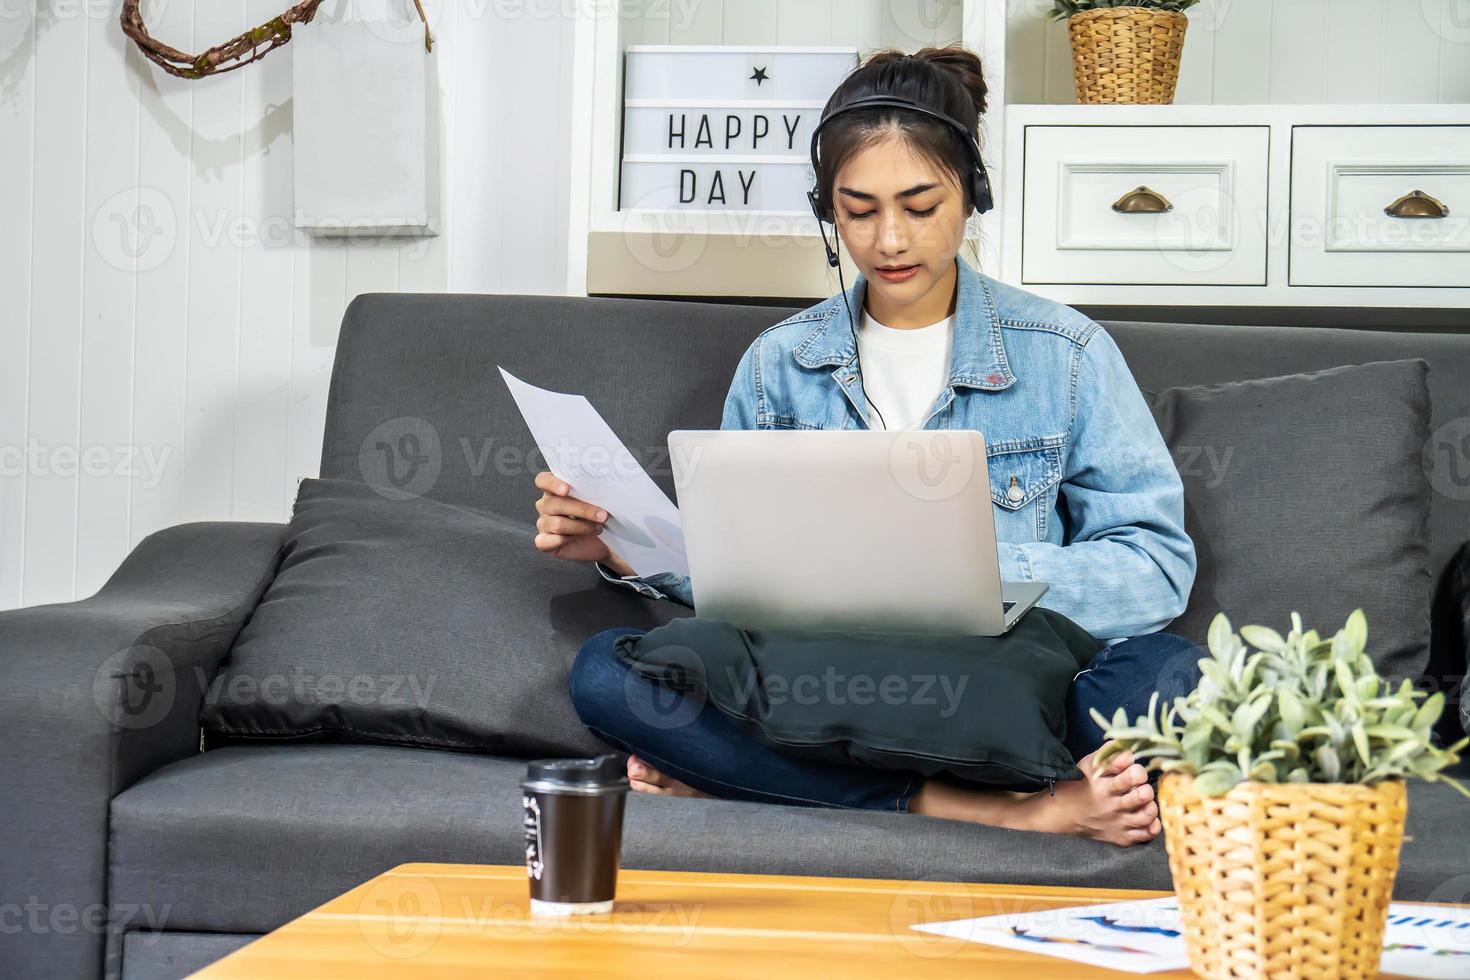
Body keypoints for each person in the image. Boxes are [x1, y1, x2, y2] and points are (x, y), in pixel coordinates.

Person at [531, 45, 1202, 847]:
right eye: (858, 210)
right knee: (608, 670)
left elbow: (1156, 567)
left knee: (1179, 680)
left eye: (920, 206)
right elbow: (737, 575)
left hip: (1008, 681)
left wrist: (968, 577)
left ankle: (750, 780)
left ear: (973, 193)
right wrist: (625, 546)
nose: (889, 239)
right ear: (829, 212)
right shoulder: (781, 363)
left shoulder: (1067, 353)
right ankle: (1002, 809)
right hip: (830, 683)